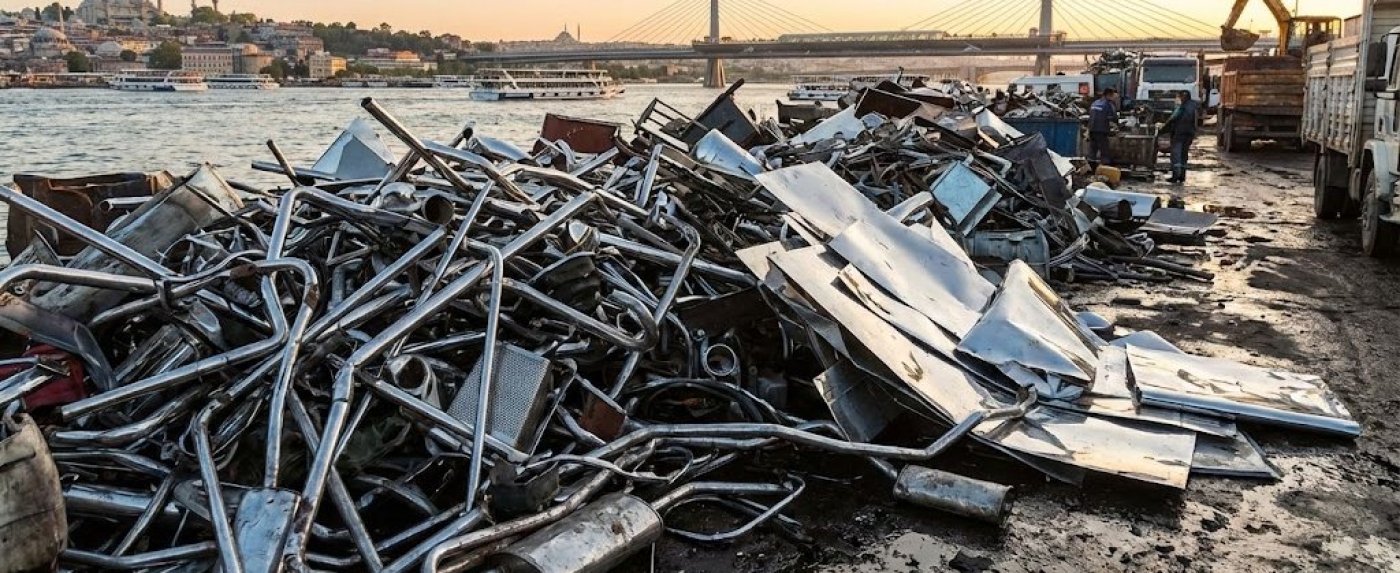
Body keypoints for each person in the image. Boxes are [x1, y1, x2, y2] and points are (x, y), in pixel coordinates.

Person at [1161, 90, 1199, 184]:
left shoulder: (1182, 107)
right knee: (1184, 155)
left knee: (1176, 155)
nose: (1177, 99)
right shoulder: (1193, 106)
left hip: (1179, 133)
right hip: (1189, 134)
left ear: (1182, 97)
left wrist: (1162, 129)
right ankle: (1182, 176)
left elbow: (1173, 118)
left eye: (1178, 97)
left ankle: (1175, 176)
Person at [1087, 88, 1119, 167]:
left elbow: (1091, 115)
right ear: (1109, 95)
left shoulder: (1095, 103)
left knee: (1092, 151)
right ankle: (1106, 169)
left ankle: (1091, 169)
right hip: (1101, 131)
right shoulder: (1108, 104)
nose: (1115, 98)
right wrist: (1116, 125)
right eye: (1114, 96)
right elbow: (1114, 118)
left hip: (1091, 130)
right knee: (1104, 151)